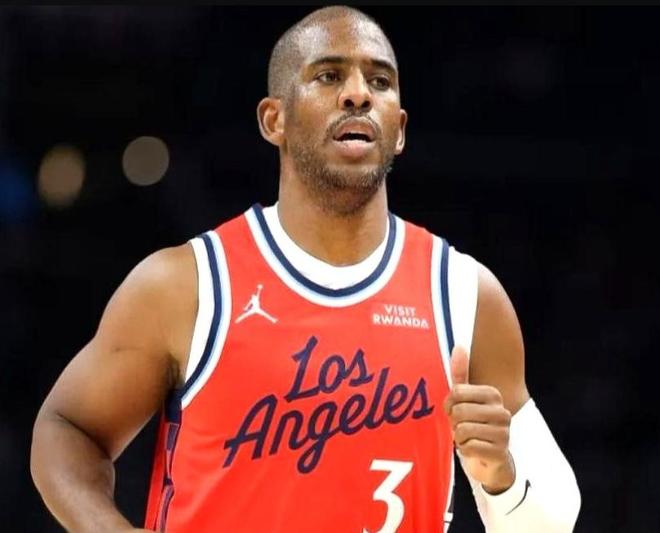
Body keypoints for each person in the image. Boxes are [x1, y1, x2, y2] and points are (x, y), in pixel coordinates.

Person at [30, 6, 581, 532]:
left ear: (400, 129)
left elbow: (553, 523)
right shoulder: (187, 285)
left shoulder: (464, 294)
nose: (359, 93)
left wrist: (502, 478)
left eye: (380, 81)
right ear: (275, 120)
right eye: (328, 75)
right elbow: (66, 427)